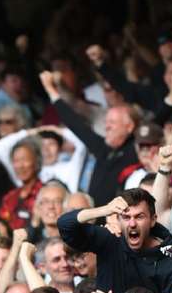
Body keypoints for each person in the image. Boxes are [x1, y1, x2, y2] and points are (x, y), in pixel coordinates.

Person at [57, 188, 172, 293]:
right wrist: (104, 210)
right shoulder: (110, 239)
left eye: (139, 217)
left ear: (153, 220)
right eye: (126, 217)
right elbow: (65, 225)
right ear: (118, 220)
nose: (132, 224)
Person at [40, 71, 140, 207]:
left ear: (129, 126)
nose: (107, 127)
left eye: (112, 123)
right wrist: (51, 90)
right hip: (91, 218)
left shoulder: (137, 151)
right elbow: (75, 124)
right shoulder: (104, 149)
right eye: (106, 122)